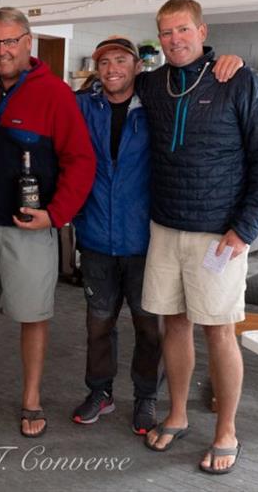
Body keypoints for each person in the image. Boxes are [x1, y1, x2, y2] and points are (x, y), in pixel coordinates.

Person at [138, 0, 258, 474]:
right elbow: (113, 85)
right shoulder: (152, 85)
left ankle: (227, 431)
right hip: (164, 226)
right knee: (173, 324)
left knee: (220, 331)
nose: (174, 40)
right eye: (165, 32)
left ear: (201, 31)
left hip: (219, 236)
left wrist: (246, 229)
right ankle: (177, 413)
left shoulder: (237, 79)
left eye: (182, 30)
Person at [0, 7, 95, 438]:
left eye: (11, 41)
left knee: (33, 315)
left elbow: (81, 161)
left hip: (29, 229)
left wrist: (57, 214)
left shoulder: (56, 94)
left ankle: (30, 399)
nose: (3, 50)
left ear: (29, 42)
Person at [71, 36, 161, 435]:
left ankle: (146, 397)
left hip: (145, 240)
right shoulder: (83, 106)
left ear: (136, 66)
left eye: (121, 60)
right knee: (98, 324)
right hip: (95, 236)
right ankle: (100, 392)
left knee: (147, 326)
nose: (112, 69)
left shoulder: (155, 106)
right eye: (104, 62)